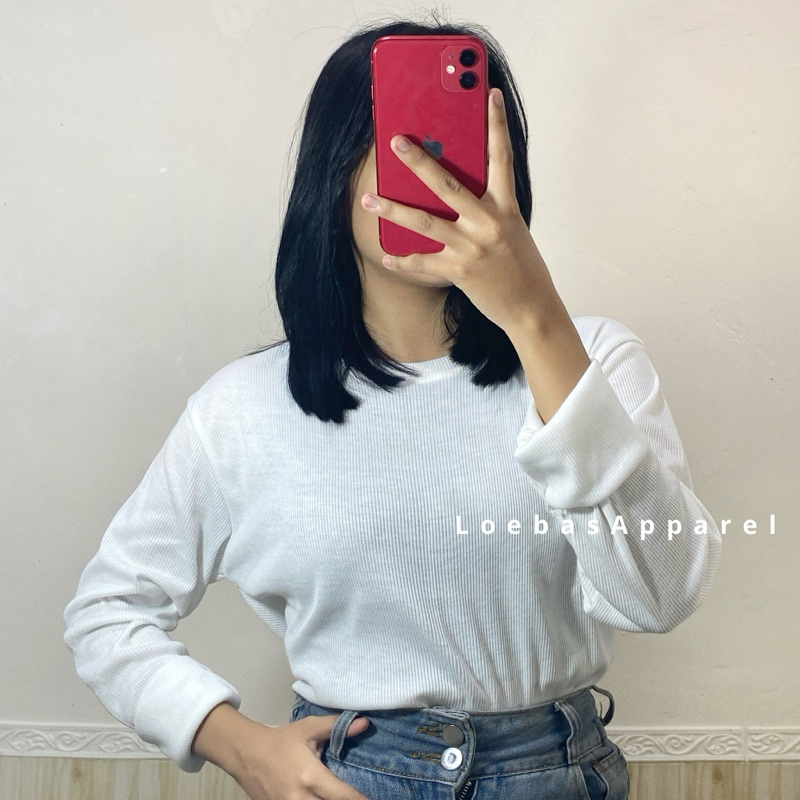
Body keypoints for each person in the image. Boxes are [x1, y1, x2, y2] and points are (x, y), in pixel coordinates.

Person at [63, 14, 722, 800]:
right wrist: (240, 748)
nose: (433, 176)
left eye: (457, 147)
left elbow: (661, 597)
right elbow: (106, 613)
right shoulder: (241, 409)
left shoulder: (595, 361)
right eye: (404, 142)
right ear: (334, 170)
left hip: (555, 773)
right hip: (353, 775)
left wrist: (535, 317)